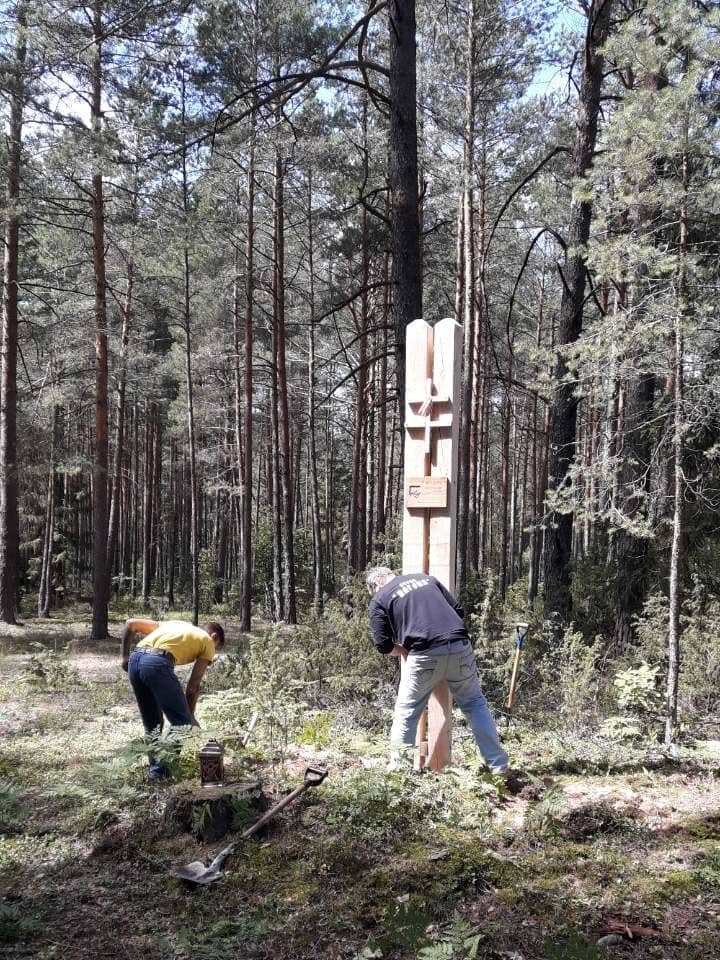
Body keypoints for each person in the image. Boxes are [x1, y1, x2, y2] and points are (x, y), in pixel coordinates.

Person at [367, 566, 514, 780]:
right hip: (460, 646)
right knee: (474, 703)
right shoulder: (426, 579)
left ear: (376, 585)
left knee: (407, 712)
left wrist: (403, 649)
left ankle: (400, 773)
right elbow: (458, 610)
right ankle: (499, 766)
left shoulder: (380, 598)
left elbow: (383, 645)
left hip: (423, 654)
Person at [120, 619, 225, 780]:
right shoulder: (208, 641)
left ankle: (156, 776)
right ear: (214, 636)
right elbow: (192, 687)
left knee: (152, 725)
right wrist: (190, 717)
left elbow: (130, 624)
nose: (212, 654)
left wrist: (125, 657)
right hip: (156, 663)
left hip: (135, 659)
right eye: (216, 648)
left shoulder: (174, 624)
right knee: (182, 724)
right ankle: (163, 768)